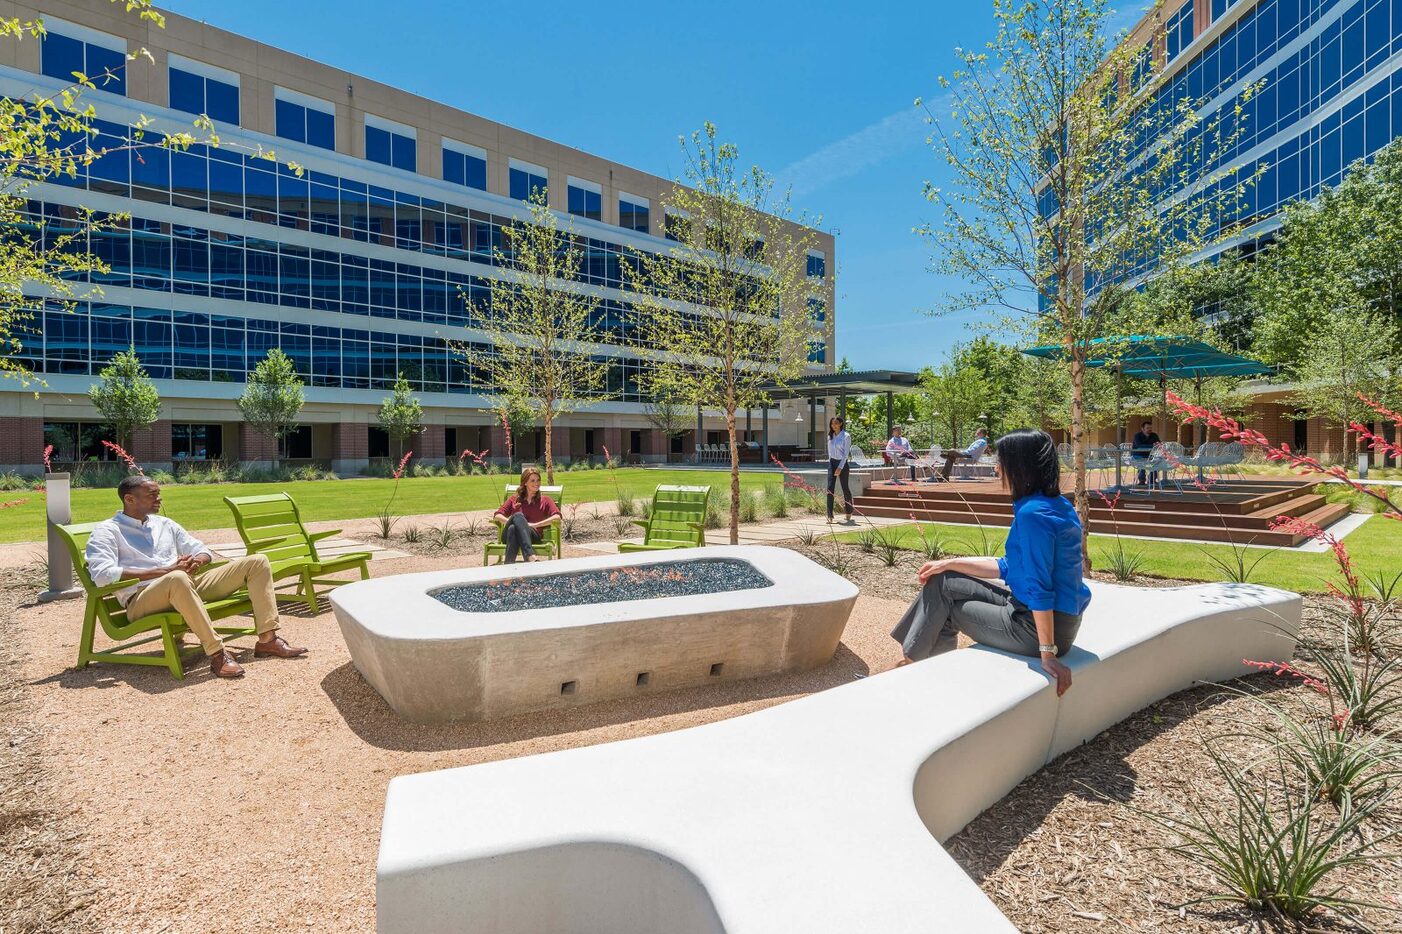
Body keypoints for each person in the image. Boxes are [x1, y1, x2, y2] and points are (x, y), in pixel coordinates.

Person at [890, 429, 1089, 696]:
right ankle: (914, 661)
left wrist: (1048, 654)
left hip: (1038, 629)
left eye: (1001, 461)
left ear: (1020, 466)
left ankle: (920, 673)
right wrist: (948, 563)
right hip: (1040, 614)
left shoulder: (1033, 515)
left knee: (948, 610)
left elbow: (1039, 587)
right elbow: (1008, 566)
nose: (997, 468)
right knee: (942, 581)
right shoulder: (1054, 504)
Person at [84, 476, 306, 679]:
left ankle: (268, 640)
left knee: (257, 562)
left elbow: (200, 548)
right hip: (142, 599)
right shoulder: (108, 531)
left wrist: (198, 561)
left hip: (184, 585)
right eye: (152, 495)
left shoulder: (164, 524)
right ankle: (218, 654)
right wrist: (165, 571)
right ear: (129, 499)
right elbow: (102, 574)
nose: (158, 499)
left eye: (158, 493)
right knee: (178, 578)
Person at [493, 466, 561, 563]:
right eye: (532, 480)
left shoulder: (545, 500)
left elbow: (557, 516)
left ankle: (508, 566)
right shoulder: (514, 499)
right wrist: (518, 522)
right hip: (506, 536)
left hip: (533, 535)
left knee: (513, 528)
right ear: (525, 483)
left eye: (538, 480)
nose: (536, 483)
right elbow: (497, 515)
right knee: (517, 517)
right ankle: (530, 555)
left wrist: (534, 525)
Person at [826, 416, 854, 524]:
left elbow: (846, 454)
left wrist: (840, 467)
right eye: (832, 424)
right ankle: (829, 515)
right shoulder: (830, 436)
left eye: (836, 423)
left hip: (842, 464)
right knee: (829, 489)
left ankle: (849, 511)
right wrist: (831, 464)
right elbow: (829, 452)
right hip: (832, 463)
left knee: (845, 488)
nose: (834, 426)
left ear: (841, 424)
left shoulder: (846, 436)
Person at [1130, 420, 1161, 487]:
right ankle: (1142, 481)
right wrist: (1152, 446)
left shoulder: (1154, 435)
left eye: (1150, 428)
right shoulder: (1137, 436)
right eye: (1147, 428)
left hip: (1150, 455)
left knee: (1158, 461)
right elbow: (1139, 446)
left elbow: (1159, 444)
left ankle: (1152, 480)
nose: (1149, 429)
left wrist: (1156, 445)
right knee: (1142, 462)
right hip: (1138, 455)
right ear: (1142, 429)